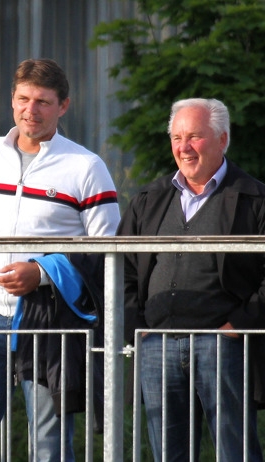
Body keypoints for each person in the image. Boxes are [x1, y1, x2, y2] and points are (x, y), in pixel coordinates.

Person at [0, 58, 120, 461]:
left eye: (43, 101)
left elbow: (107, 252)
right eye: (23, 98)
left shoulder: (86, 166)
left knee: (49, 443)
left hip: (51, 320)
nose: (31, 110)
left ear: (64, 106)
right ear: (12, 100)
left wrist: (41, 274)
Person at [119, 98, 265, 461]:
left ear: (222, 139)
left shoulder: (255, 198)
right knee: (167, 454)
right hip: (157, 345)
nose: (184, 147)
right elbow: (121, 269)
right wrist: (137, 329)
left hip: (224, 344)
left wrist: (239, 325)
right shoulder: (148, 199)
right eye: (177, 137)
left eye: (195, 137)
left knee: (235, 452)